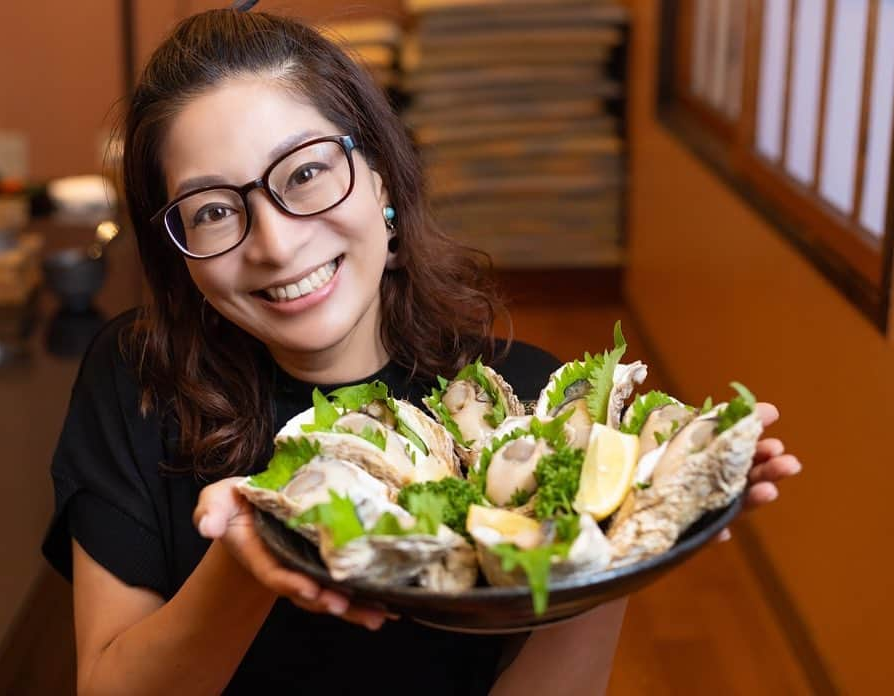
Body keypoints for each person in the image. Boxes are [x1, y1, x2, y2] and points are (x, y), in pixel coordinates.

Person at [42, 7, 802, 695]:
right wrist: (246, 561)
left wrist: (611, 546)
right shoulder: (138, 380)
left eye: (305, 173)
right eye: (212, 210)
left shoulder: (526, 405)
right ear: (177, 253)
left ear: (378, 175)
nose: (275, 243)